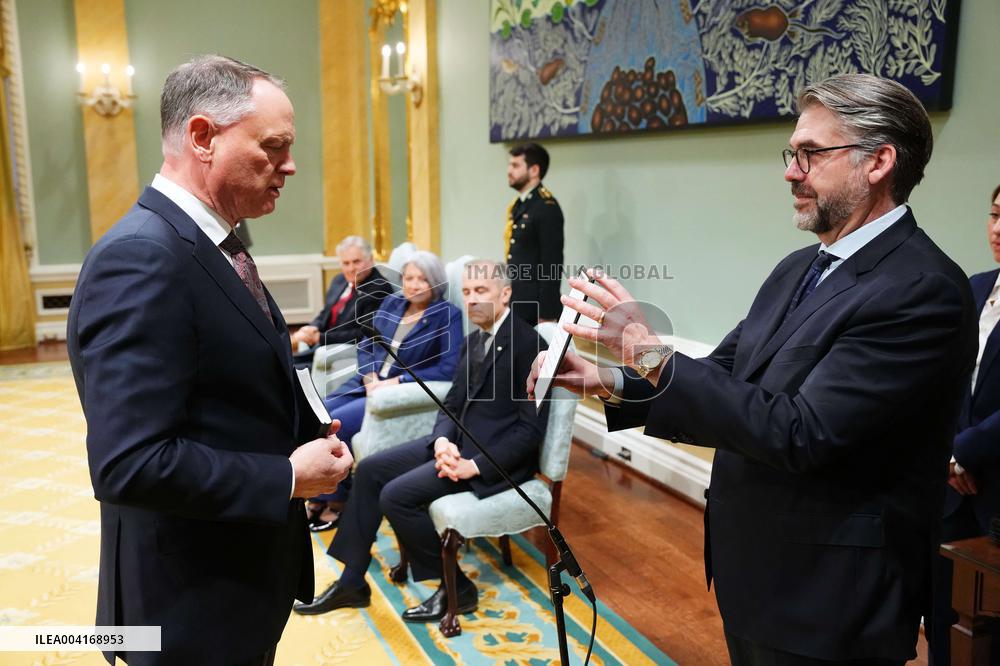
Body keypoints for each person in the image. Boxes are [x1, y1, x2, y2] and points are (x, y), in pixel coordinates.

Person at [528, 74, 978, 665]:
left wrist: (642, 347)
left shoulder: (922, 289)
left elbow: (804, 433)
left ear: (878, 162)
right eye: (791, 154)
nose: (791, 172)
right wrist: (604, 379)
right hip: (760, 577)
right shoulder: (799, 267)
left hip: (829, 600)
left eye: (811, 153)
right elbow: (723, 372)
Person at [66, 55, 354, 666]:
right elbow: (129, 463)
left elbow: (226, 382)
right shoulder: (142, 257)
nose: (290, 165)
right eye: (273, 147)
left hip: (234, 582)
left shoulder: (214, 243)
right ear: (203, 137)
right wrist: (287, 477)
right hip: (187, 604)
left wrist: (302, 428)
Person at [293, 259, 549, 622]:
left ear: (505, 294)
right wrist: (443, 441)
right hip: (456, 445)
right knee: (370, 469)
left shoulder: (530, 346)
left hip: (493, 461)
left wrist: (474, 465)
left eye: (481, 291)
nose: (472, 300)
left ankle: (458, 588)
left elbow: (530, 432)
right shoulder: (474, 339)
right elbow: (452, 404)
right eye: (467, 292)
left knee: (396, 496)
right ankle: (352, 582)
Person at [305, 250, 464, 531]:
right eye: (409, 278)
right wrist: (369, 375)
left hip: (392, 394)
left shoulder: (447, 315)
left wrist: (397, 381)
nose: (414, 285)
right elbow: (367, 342)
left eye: (422, 279)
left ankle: (336, 501)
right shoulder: (392, 303)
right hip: (368, 382)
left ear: (436, 282)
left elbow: (448, 368)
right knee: (317, 414)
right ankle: (318, 494)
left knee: (335, 424)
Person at [930, 184, 1000, 665]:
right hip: (949, 486)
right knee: (941, 618)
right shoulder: (973, 287)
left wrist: (964, 452)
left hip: (994, 489)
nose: (999, 228)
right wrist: (948, 456)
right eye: (995, 214)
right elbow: (942, 379)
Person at [290, 235, 392, 367]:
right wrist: (313, 327)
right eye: (346, 263)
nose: (351, 269)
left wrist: (320, 337)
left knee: (290, 370)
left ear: (371, 259)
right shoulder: (339, 280)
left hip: (342, 349)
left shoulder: (379, 289)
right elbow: (326, 312)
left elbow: (364, 334)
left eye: (356, 262)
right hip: (321, 345)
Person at [504, 143, 564, 325]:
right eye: (509, 165)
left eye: (515, 165)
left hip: (535, 307)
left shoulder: (546, 207)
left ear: (534, 170)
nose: (509, 171)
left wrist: (546, 312)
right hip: (518, 300)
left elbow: (552, 263)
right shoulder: (519, 205)